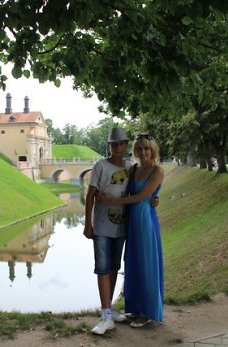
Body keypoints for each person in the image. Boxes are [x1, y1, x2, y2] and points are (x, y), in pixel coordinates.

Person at [97, 134, 164, 328]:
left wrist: (112, 201)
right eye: (140, 149)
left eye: (147, 148)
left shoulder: (157, 170)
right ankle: (135, 309)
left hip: (144, 219)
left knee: (146, 262)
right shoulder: (134, 169)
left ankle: (148, 312)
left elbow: (141, 196)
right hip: (131, 220)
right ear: (135, 151)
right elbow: (127, 192)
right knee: (133, 263)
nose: (143, 152)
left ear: (153, 150)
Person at [83, 127, 131, 335]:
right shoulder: (100, 166)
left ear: (126, 145)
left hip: (121, 225)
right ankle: (106, 315)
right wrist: (88, 223)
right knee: (102, 267)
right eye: (113, 144)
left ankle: (109, 311)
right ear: (109, 146)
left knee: (113, 266)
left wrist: (153, 200)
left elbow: (136, 194)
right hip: (101, 225)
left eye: (120, 143)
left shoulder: (131, 168)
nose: (117, 147)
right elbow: (90, 196)